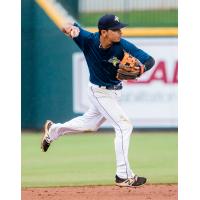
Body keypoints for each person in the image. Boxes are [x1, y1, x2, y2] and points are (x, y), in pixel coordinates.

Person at [41, 14, 155, 188]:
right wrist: (68, 27)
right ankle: (123, 175)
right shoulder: (88, 39)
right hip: (98, 92)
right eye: (115, 30)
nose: (120, 33)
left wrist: (141, 69)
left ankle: (53, 130)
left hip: (115, 92)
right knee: (124, 126)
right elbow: (68, 26)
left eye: (120, 29)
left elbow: (150, 60)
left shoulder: (122, 46)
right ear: (104, 32)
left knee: (90, 124)